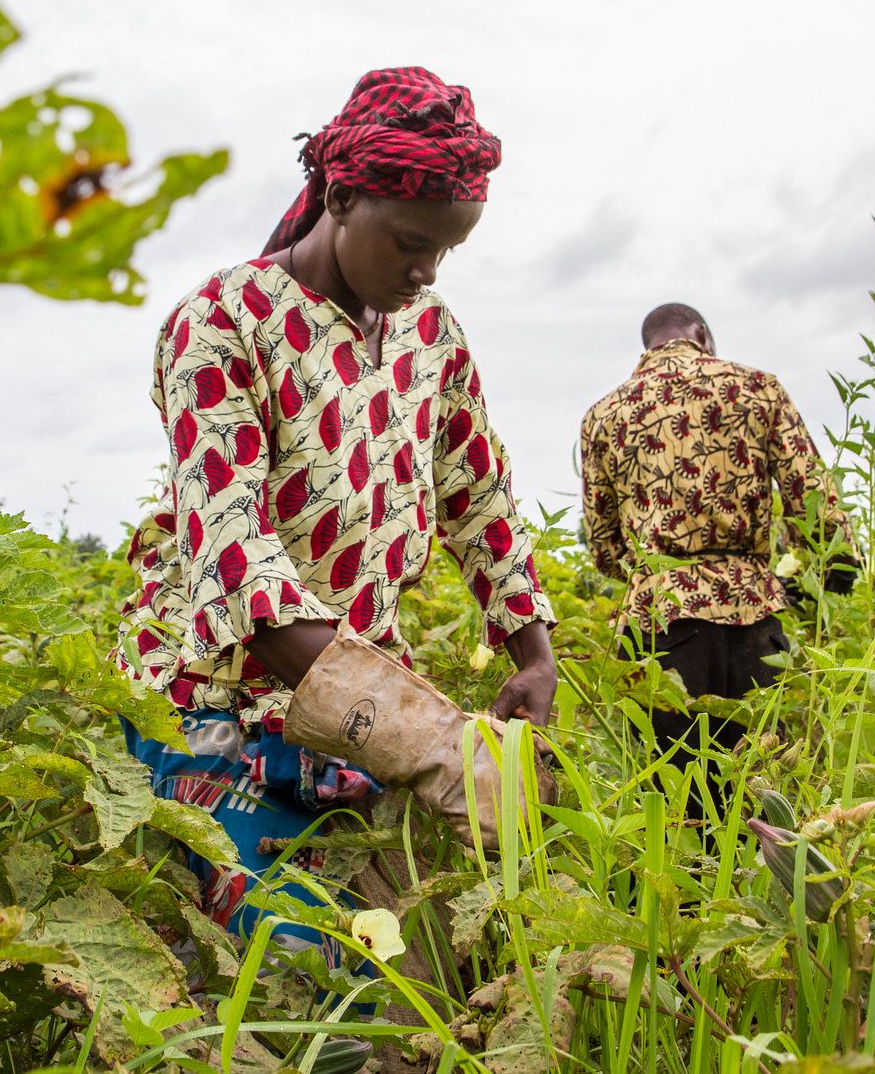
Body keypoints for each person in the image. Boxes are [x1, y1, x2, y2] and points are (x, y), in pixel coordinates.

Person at [113, 67, 558, 952]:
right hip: (219, 716)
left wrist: (533, 649)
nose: (425, 270)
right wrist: (443, 749)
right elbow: (242, 574)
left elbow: (479, 494)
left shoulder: (432, 338)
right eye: (408, 242)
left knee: (377, 980)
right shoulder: (223, 322)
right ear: (342, 196)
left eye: (445, 251)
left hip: (357, 715)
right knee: (256, 985)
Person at [578, 302, 857, 803]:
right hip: (753, 617)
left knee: (674, 797)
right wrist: (830, 574)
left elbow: (605, 548)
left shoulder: (604, 415)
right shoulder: (758, 388)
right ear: (702, 335)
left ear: (649, 345)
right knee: (760, 792)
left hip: (659, 623)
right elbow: (812, 499)